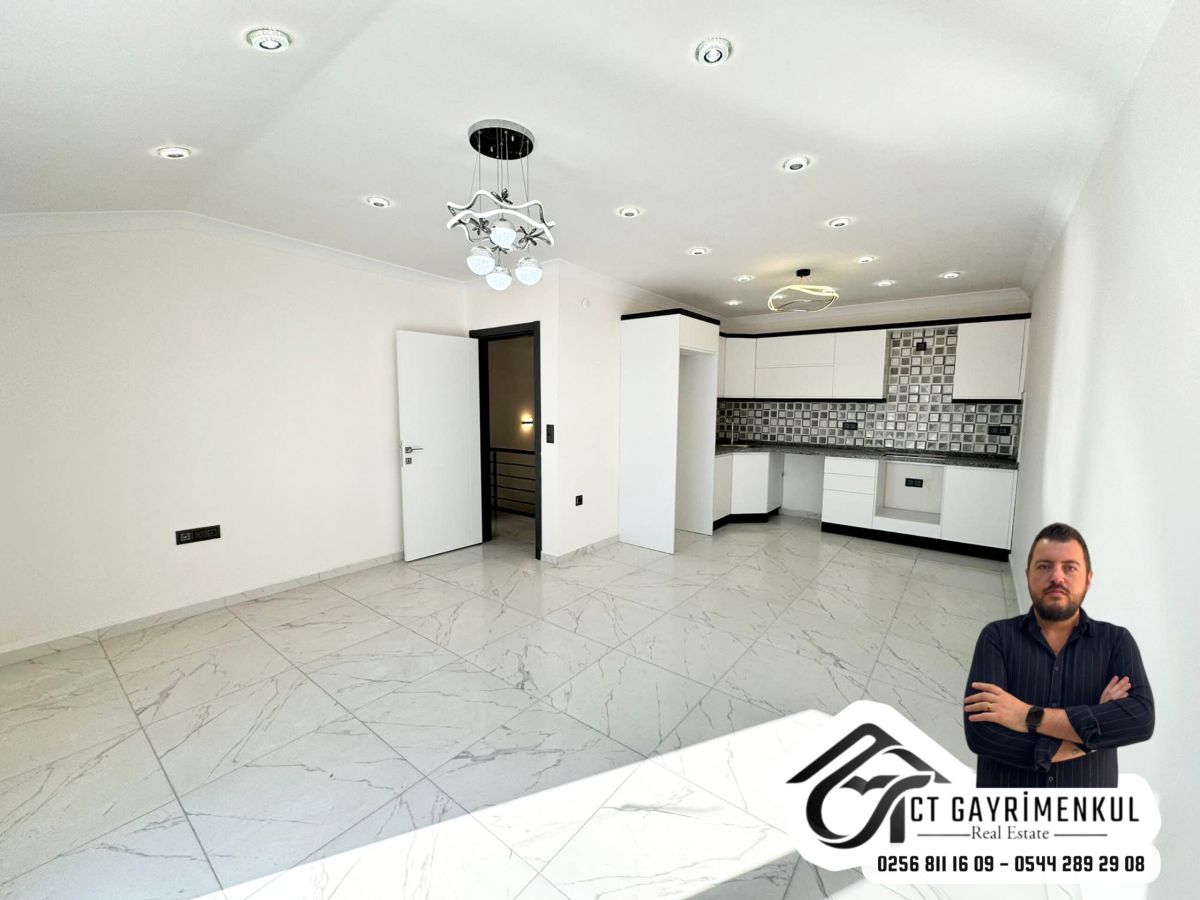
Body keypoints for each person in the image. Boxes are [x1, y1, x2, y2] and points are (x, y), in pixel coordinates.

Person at [962, 522, 1154, 787]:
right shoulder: (997, 637)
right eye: (1044, 566)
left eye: (1070, 568)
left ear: (1088, 578)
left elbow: (1140, 719)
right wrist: (1088, 740)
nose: (1057, 577)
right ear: (1028, 574)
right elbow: (982, 734)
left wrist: (1027, 715)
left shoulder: (1116, 642)